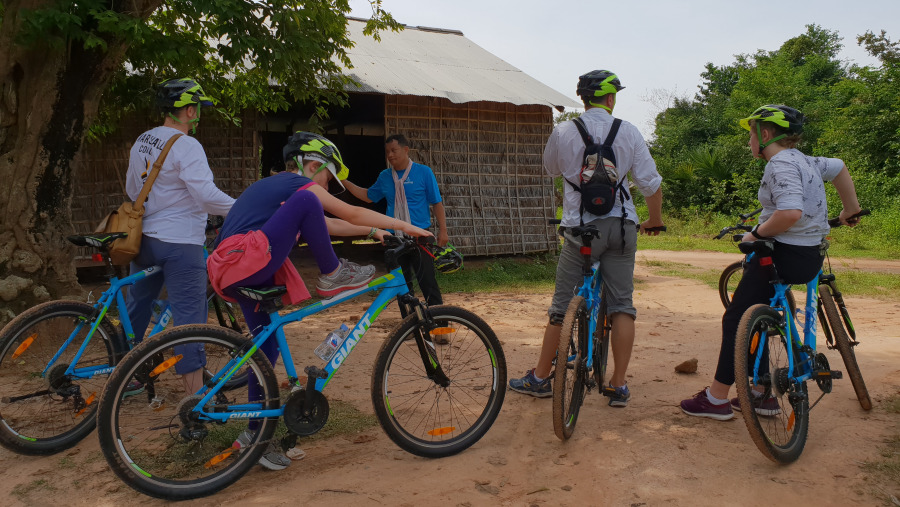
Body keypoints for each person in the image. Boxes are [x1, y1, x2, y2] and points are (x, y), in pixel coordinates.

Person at [207, 131, 432, 470]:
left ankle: (255, 438)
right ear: (312, 165)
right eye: (328, 177)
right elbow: (350, 213)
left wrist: (375, 231)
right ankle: (332, 273)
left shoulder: (279, 194)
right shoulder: (295, 187)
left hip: (236, 266)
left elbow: (335, 224)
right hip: (243, 259)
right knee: (309, 201)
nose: (328, 187)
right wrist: (409, 227)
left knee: (263, 355)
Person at [679, 104, 862, 420]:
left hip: (782, 256)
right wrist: (850, 210)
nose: (748, 141)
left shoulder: (779, 165)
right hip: (811, 256)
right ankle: (762, 394)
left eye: (750, 134)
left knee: (736, 318)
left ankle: (717, 398)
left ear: (764, 134)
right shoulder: (807, 161)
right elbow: (840, 167)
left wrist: (754, 235)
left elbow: (790, 213)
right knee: (760, 315)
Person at [508, 70, 665, 406]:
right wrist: (654, 220)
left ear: (583, 99)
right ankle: (617, 385)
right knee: (622, 305)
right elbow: (651, 184)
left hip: (581, 230)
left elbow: (550, 169)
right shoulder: (629, 132)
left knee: (561, 307)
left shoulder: (563, 131)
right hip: (621, 226)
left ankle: (539, 378)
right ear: (610, 99)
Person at [124, 78, 235, 395]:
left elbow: (134, 190)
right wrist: (241, 208)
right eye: (198, 109)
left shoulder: (143, 140)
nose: (198, 114)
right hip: (180, 243)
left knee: (138, 307)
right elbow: (206, 196)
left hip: (144, 240)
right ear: (188, 109)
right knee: (189, 320)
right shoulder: (186, 144)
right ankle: (196, 400)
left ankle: (126, 375)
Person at [342, 134, 448, 306]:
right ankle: (410, 324)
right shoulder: (385, 176)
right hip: (394, 238)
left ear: (406, 150)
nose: (390, 155)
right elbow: (368, 196)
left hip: (420, 236)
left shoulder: (424, 172)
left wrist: (443, 230)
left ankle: (440, 324)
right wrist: (343, 181)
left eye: (394, 150)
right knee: (401, 285)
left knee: (427, 281)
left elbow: (436, 203)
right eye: (387, 152)